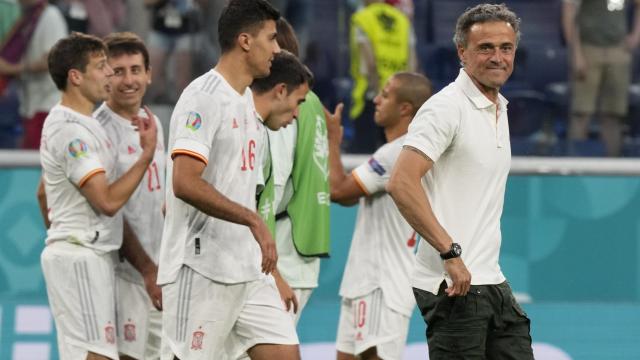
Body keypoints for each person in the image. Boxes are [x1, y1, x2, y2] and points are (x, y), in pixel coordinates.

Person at [387, 4, 534, 359]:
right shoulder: (446, 108)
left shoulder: (500, 107)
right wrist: (448, 253)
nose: (497, 57)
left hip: (490, 280)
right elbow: (401, 182)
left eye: (506, 47)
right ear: (462, 52)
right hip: (452, 285)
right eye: (485, 48)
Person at [156, 1, 302, 359]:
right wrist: (252, 220)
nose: (278, 48)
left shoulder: (246, 105)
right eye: (270, 38)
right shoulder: (203, 98)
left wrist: (274, 272)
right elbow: (185, 182)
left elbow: (240, 191)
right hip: (201, 265)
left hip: (247, 268)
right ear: (245, 41)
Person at [38, 32, 158, 360]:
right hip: (82, 255)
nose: (110, 74)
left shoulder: (83, 123)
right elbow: (106, 202)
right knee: (98, 356)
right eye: (102, 66)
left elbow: (43, 192)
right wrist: (145, 157)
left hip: (90, 255)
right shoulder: (71, 130)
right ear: (76, 77)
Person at [327, 72, 431, 360]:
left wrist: (332, 139)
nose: (376, 99)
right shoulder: (407, 151)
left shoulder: (398, 152)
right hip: (366, 283)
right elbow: (350, 197)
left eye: (385, 94)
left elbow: (338, 191)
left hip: (380, 284)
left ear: (405, 108)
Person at [253, 18, 331, 326]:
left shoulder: (282, 108)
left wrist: (274, 273)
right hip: (299, 251)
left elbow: (272, 183)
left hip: (279, 254)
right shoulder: (312, 103)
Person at [94, 31, 165, 360]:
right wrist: (148, 269)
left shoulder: (153, 122)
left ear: (149, 74)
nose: (128, 80)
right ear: (105, 77)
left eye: (136, 70)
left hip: (160, 275)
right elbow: (109, 211)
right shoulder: (98, 130)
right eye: (118, 71)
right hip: (124, 275)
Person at [562, 0, 640, 156]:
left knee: (613, 114)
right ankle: (575, 168)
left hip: (618, 51)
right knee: (581, 113)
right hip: (588, 50)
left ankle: (612, 169)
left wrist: (636, 36)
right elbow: (569, 11)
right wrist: (576, 53)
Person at [348, 0, 417, 154]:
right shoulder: (402, 20)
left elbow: (368, 62)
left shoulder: (362, 18)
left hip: (372, 97)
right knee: (395, 156)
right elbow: (412, 62)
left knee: (366, 159)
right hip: (400, 99)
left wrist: (380, 92)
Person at [0, 0, 67, 149]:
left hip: (46, 105)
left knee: (40, 162)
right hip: (31, 104)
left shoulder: (51, 16)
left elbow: (52, 60)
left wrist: (11, 69)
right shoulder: (31, 17)